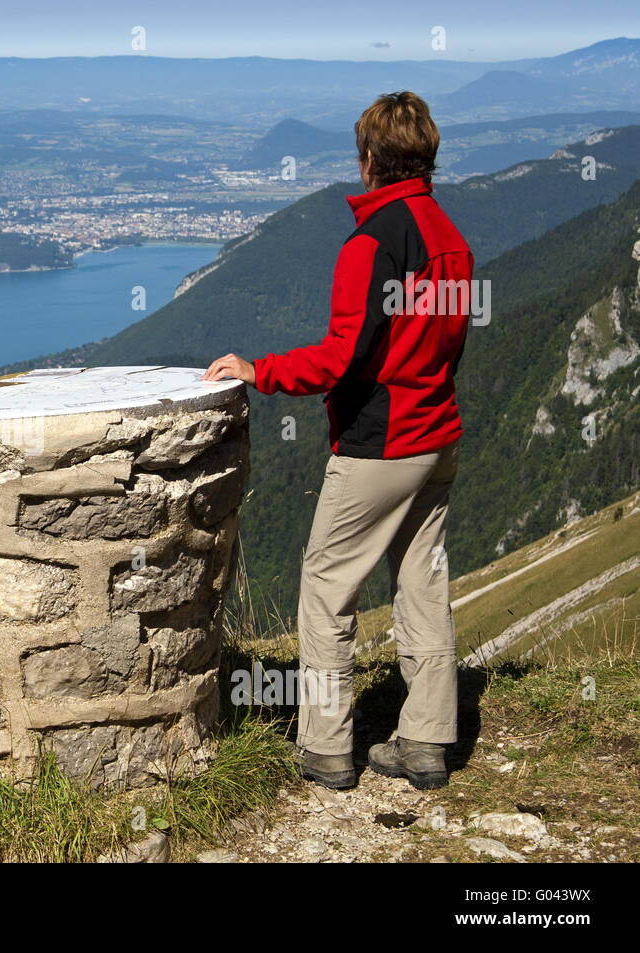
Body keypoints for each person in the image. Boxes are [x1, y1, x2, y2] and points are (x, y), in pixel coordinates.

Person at [203, 91, 472, 790]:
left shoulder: (372, 242)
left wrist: (257, 370)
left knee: (326, 586)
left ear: (368, 162)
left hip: (381, 443)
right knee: (423, 579)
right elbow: (447, 342)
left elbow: (340, 355)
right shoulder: (451, 239)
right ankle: (427, 739)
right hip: (438, 436)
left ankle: (325, 744)